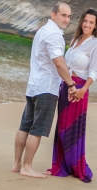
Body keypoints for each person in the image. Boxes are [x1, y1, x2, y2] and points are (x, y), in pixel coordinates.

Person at [11, 2, 78, 178]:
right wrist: (71, 84)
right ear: (53, 15)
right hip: (46, 89)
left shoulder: (42, 31)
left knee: (25, 126)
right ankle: (27, 166)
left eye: (69, 16)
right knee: (37, 129)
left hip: (33, 86)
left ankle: (17, 164)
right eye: (63, 15)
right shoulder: (54, 35)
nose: (67, 19)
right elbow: (58, 62)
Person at [46, 8, 97, 183]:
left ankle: (75, 166)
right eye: (85, 21)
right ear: (81, 21)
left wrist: (83, 90)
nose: (87, 24)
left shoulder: (95, 43)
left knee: (73, 129)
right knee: (62, 126)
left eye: (91, 22)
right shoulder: (75, 40)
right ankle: (61, 165)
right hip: (66, 86)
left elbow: (94, 71)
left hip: (80, 88)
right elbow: (64, 64)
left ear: (95, 25)